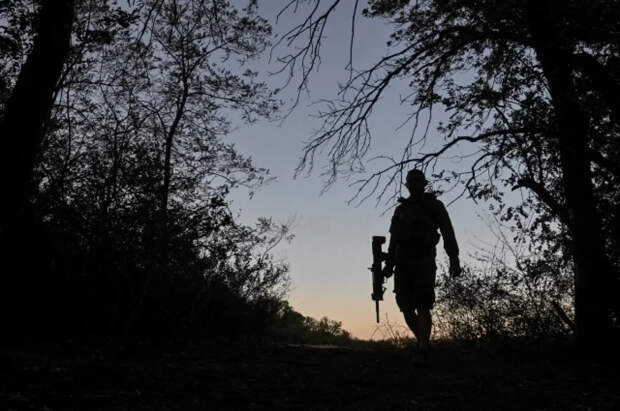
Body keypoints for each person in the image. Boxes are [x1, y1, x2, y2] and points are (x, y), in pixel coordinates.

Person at [383, 169, 461, 364]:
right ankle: (423, 342)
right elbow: (394, 239)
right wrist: (389, 264)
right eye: (411, 181)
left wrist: (454, 257)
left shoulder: (435, 205)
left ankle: (423, 349)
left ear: (424, 183)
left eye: (417, 180)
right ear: (407, 185)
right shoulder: (401, 209)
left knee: (423, 305)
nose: (414, 184)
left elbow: (448, 231)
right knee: (406, 306)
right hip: (402, 262)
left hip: (424, 261)